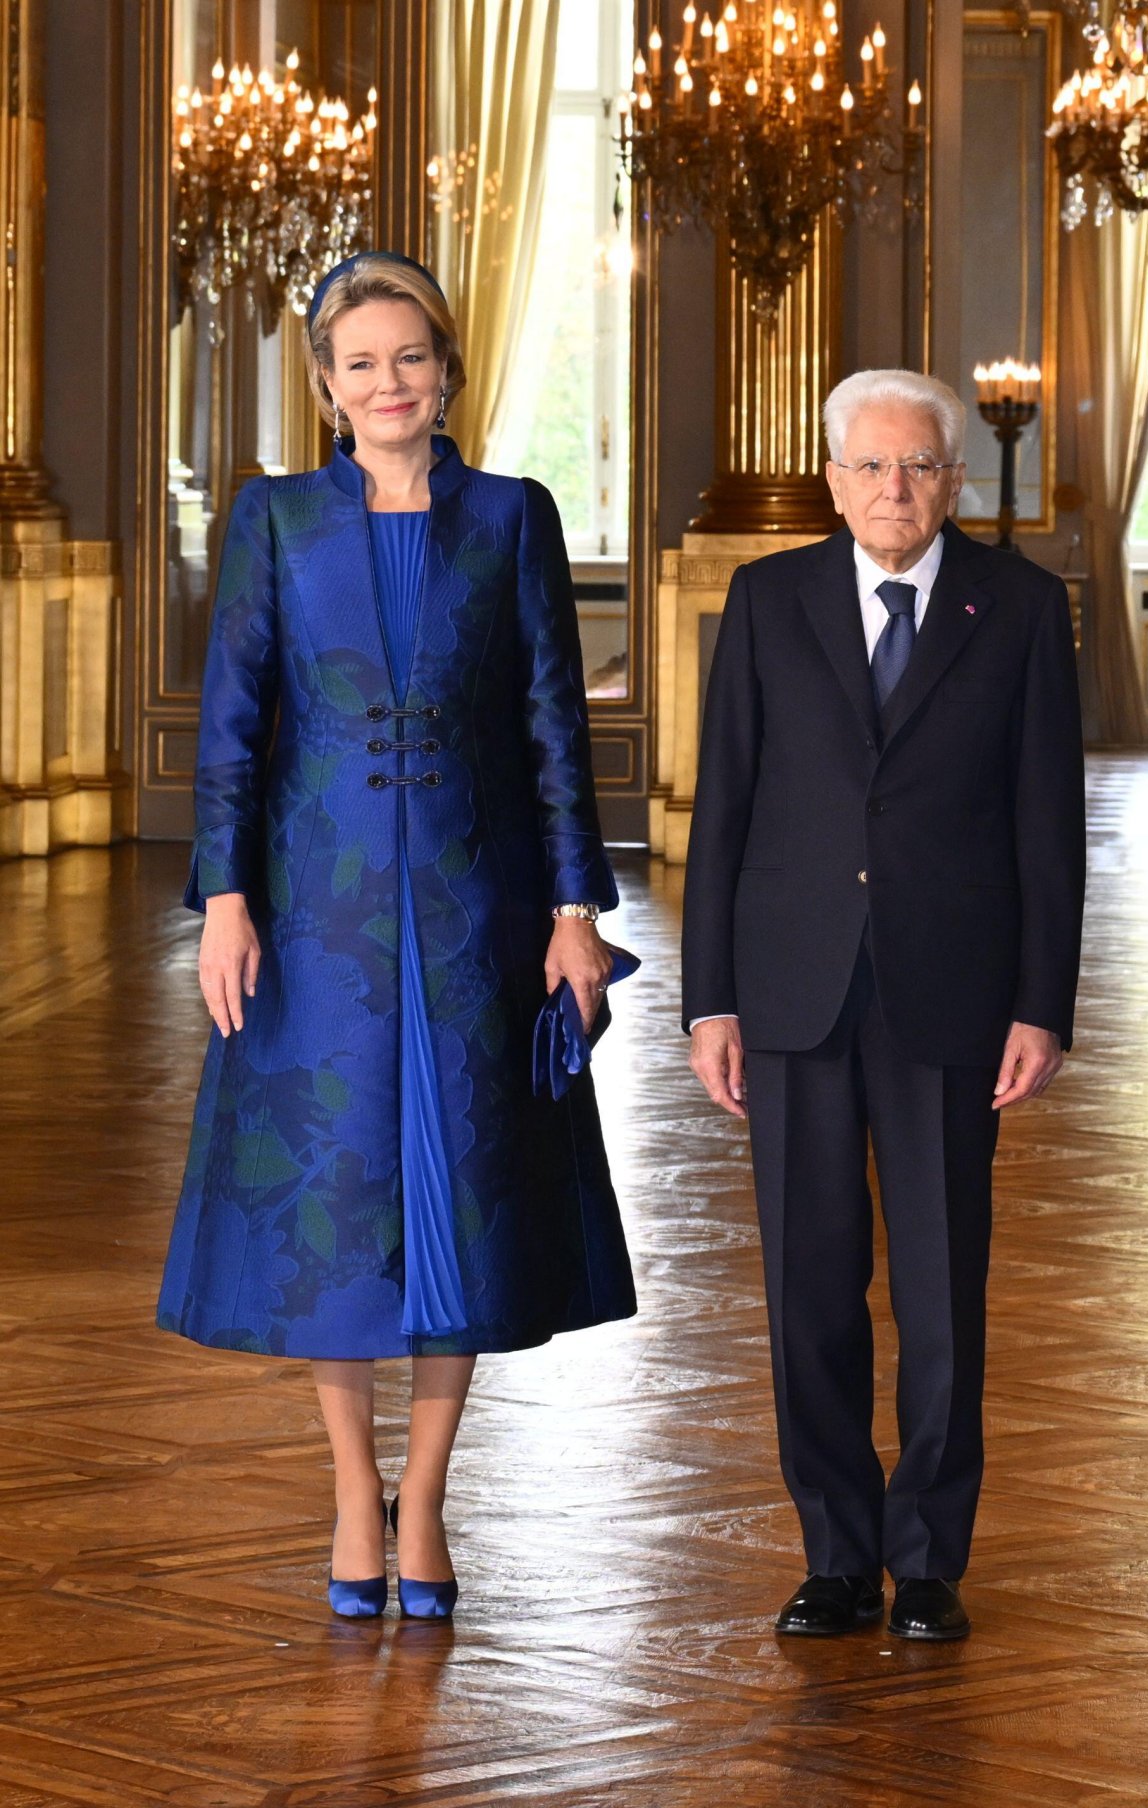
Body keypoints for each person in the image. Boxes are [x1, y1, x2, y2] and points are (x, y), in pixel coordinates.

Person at [157, 252, 636, 1621]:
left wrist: (571, 913)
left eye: (409, 358)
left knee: (460, 1215)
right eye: (358, 363)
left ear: (447, 374)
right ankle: (345, 1489)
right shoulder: (276, 521)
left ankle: (422, 1500)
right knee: (335, 1212)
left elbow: (555, 723)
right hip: (315, 916)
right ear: (324, 389)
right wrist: (226, 902)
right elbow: (236, 722)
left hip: (479, 915)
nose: (387, 382)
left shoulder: (511, 517)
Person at [682, 369, 1085, 1642]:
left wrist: (1043, 1002)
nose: (892, 489)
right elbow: (725, 810)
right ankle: (838, 1554)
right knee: (808, 1286)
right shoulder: (767, 597)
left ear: (953, 481)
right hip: (794, 985)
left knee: (943, 1284)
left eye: (917, 467)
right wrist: (710, 1000)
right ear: (833, 476)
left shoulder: (1018, 608)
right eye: (868, 466)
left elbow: (1048, 824)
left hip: (954, 990)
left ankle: (931, 1556)